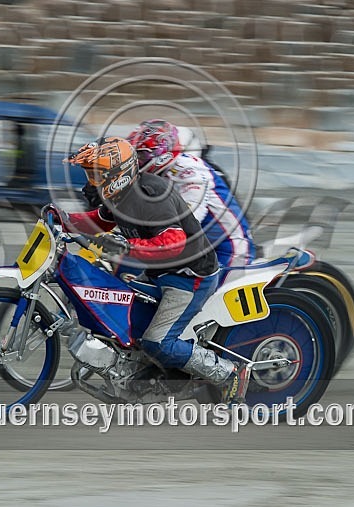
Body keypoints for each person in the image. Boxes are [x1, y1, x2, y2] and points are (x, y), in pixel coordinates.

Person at [62, 136, 250, 403]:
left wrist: (127, 246)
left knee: (157, 342)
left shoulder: (150, 197)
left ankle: (228, 373)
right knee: (124, 314)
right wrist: (64, 219)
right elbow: (100, 221)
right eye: (90, 174)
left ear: (118, 174)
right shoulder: (121, 195)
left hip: (188, 277)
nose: (92, 181)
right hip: (159, 273)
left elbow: (173, 243)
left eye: (96, 174)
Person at [126, 119, 256, 267]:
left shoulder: (190, 175)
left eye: (140, 156)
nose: (135, 162)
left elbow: (185, 225)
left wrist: (131, 241)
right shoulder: (158, 173)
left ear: (162, 155)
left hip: (227, 251)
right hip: (198, 247)